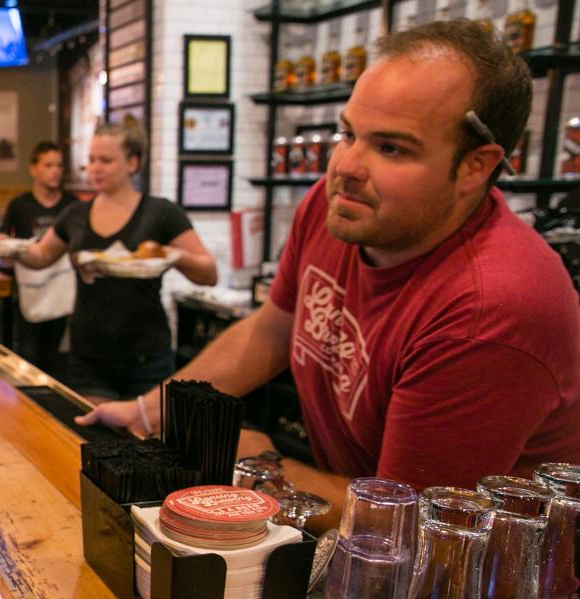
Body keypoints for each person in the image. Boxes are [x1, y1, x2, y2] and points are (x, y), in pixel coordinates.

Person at [79, 20, 580, 527]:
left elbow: (403, 521)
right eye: (348, 134)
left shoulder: (491, 306)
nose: (345, 167)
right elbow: (272, 330)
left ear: (476, 166)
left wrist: (254, 469)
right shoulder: (333, 206)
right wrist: (150, 410)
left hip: (464, 568)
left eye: (391, 148)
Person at [16, 123, 218, 402]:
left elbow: (209, 273)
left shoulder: (161, 212)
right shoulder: (75, 214)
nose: (95, 168)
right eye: (91, 160)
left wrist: (171, 254)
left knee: (144, 430)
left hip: (146, 356)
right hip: (88, 357)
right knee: (96, 429)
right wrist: (9, 249)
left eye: (106, 160)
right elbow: (41, 256)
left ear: (132, 163)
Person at [0, 141, 78, 378]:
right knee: (28, 356)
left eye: (59, 166)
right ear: (33, 169)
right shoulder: (19, 205)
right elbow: (5, 241)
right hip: (29, 291)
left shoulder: (72, 206)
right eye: (48, 165)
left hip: (63, 293)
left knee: (59, 359)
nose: (55, 171)